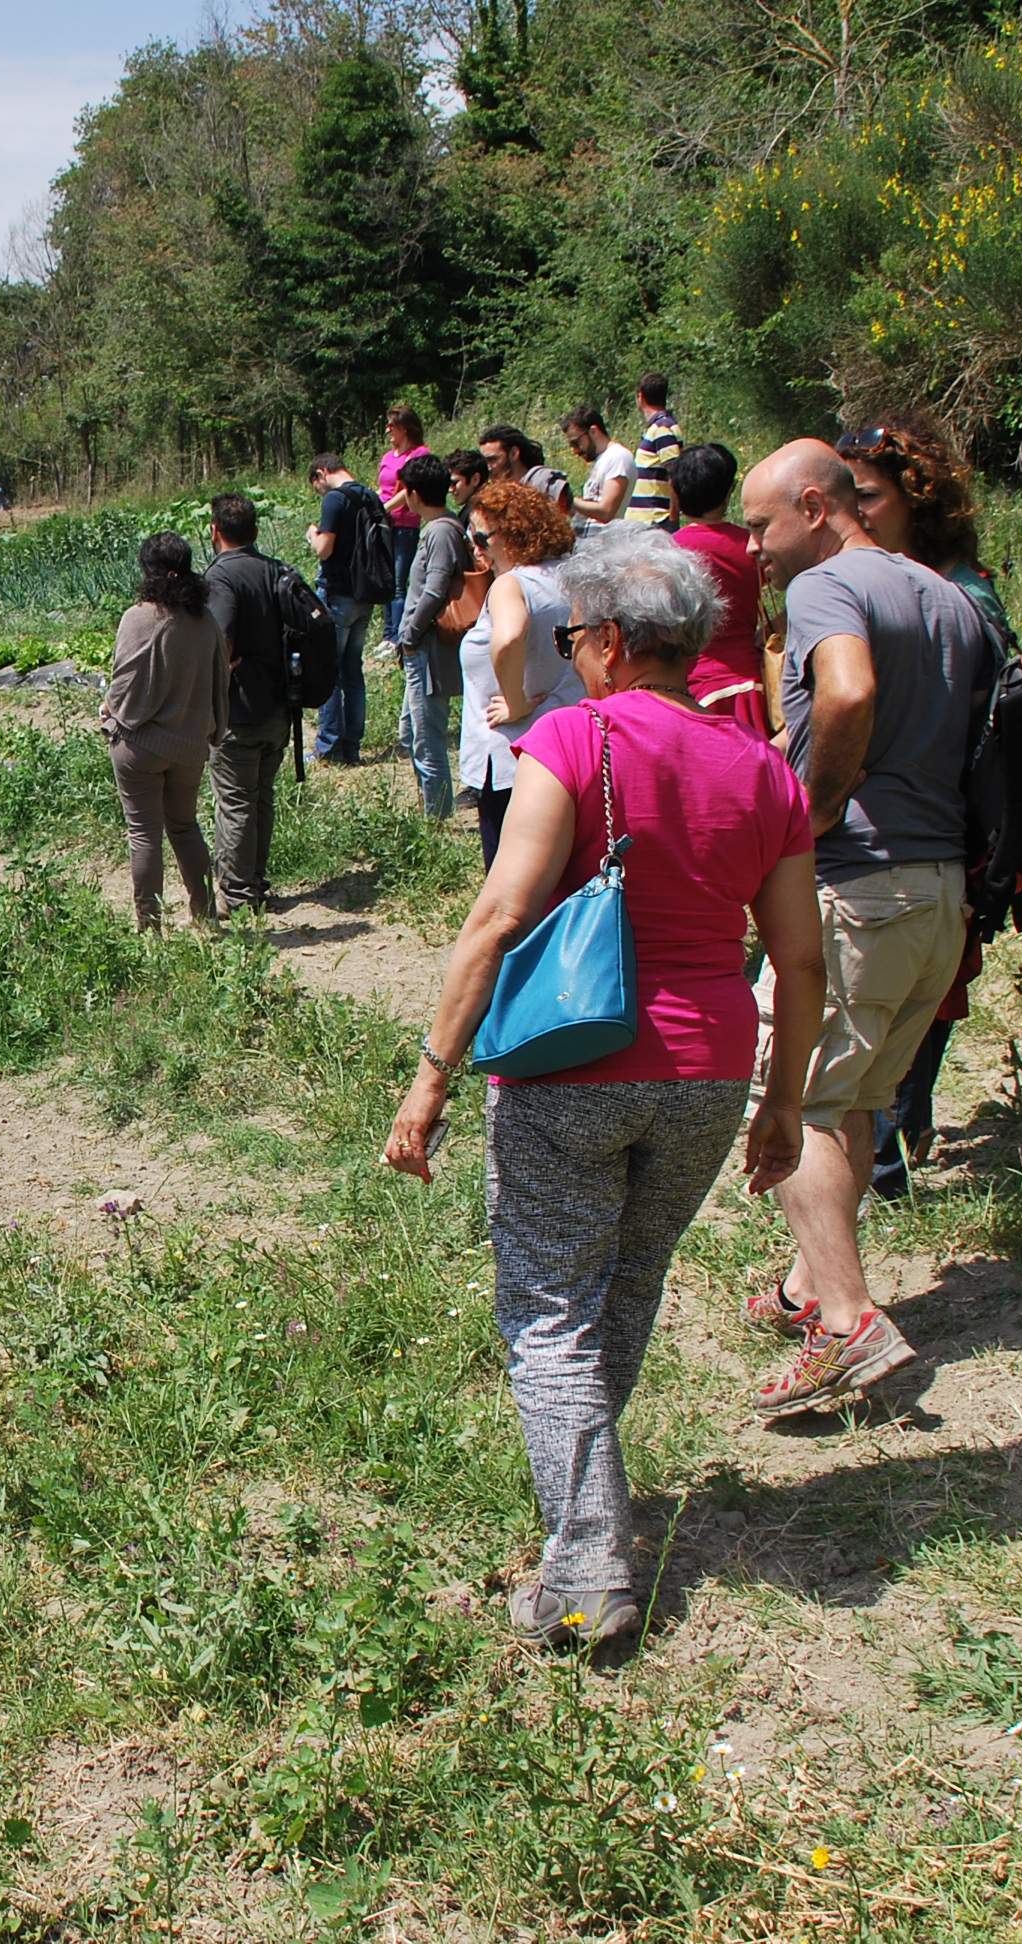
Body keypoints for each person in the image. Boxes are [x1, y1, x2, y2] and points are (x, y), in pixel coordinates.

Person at [383, 523, 825, 1649]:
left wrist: (429, 1080)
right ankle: (582, 1509)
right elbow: (800, 956)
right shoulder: (766, 765)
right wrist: (782, 1103)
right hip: (710, 1068)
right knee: (621, 1293)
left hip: (577, 1060)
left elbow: (498, 916)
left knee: (546, 1311)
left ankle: (584, 1575)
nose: (574, 655)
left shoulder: (576, 741)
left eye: (578, 637)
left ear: (617, 643)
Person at [738, 439, 991, 1416]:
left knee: (793, 1096)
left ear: (813, 504)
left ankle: (847, 1325)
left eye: (760, 527)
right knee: (850, 1102)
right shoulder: (947, 597)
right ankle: (808, 1287)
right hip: (934, 894)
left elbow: (844, 693)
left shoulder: (825, 590)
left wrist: (811, 807)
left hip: (856, 885)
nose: (753, 548)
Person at [836, 414, 1004, 1198]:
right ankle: (893, 1143)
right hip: (911, 839)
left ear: (917, 497)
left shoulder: (963, 596)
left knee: (921, 998)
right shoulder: (887, 584)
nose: (854, 511)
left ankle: (887, 1158)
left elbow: (981, 734)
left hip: (942, 839)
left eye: (867, 496)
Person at [103, 532, 226, 930]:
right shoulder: (205, 620)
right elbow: (220, 681)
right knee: (186, 827)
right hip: (189, 746)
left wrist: (109, 710)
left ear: (146, 570)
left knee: (144, 835)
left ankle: (150, 927)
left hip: (141, 746)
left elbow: (123, 686)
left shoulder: (139, 617)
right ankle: (207, 919)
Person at [457, 480, 583, 865]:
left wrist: (516, 704)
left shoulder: (512, 584)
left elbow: (509, 638)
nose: (476, 551)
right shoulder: (573, 576)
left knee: (510, 882)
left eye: (481, 538)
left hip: (513, 755)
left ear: (513, 531)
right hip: (572, 748)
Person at [203, 492, 293, 917]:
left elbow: (220, 637)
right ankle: (254, 883)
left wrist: (216, 674)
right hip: (279, 705)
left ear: (215, 531)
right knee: (260, 798)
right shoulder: (275, 570)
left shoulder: (221, 578)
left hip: (238, 709)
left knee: (236, 801)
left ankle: (238, 898)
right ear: (254, 531)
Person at [389, 451, 479, 818]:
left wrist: (408, 634)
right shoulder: (443, 527)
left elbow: (435, 588)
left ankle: (437, 819)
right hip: (420, 647)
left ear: (412, 494)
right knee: (412, 735)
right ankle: (432, 810)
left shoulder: (440, 532)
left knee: (428, 740)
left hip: (426, 649)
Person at [668, 443, 769, 734]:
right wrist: (768, 630)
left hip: (698, 684)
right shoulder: (753, 545)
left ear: (675, 491)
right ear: (728, 494)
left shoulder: (671, 553)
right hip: (754, 680)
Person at [303, 453, 390, 766]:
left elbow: (325, 549)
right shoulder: (370, 496)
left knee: (330, 670)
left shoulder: (335, 500)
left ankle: (328, 746)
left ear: (322, 473)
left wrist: (313, 535)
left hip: (338, 593)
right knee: (353, 670)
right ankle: (351, 746)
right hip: (365, 593)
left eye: (318, 485)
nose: (321, 492)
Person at [375, 406, 433, 643]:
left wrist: (385, 508)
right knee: (385, 580)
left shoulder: (419, 454)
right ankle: (388, 632)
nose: (388, 429)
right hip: (384, 522)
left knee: (399, 582)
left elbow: (410, 487)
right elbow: (384, 489)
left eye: (393, 425)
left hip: (404, 524)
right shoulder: (388, 457)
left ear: (405, 428)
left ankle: (398, 635)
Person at [564, 406, 637, 533]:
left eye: (576, 443)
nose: (575, 451)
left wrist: (570, 499)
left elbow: (606, 512)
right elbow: (588, 512)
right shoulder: (602, 460)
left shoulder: (618, 456)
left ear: (593, 432)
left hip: (605, 547)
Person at [628, 374, 682, 529]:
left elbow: (674, 474)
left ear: (641, 397)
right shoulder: (661, 427)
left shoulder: (662, 429)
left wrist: (673, 517)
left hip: (654, 519)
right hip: (647, 519)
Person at [481, 425, 572, 516]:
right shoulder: (497, 493)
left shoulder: (543, 481)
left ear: (514, 454)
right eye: (485, 461)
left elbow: (562, 518)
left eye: (493, 459)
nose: (488, 467)